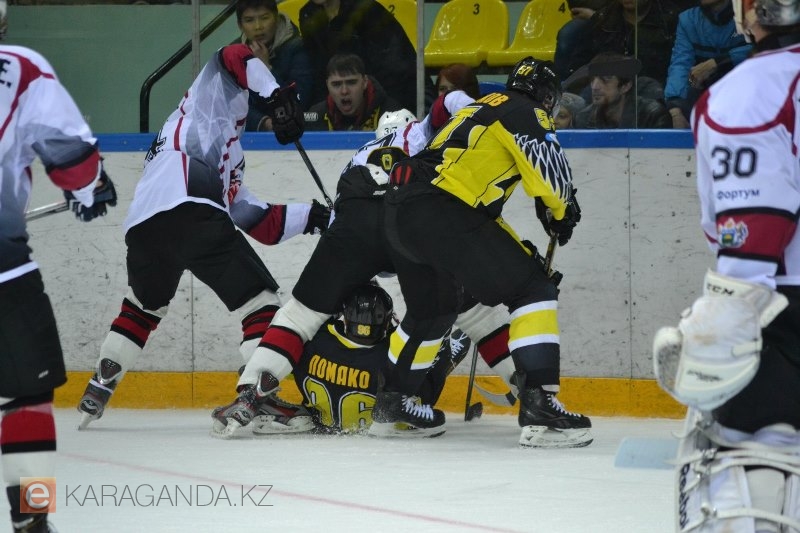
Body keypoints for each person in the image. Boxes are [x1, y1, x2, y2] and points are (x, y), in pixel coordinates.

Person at [212, 90, 534, 440]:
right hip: (412, 213)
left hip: (356, 214)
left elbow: (313, 229)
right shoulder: (420, 133)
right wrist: (481, 117)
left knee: (299, 316)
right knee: (474, 313)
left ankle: (249, 395)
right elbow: (448, 100)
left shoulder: (358, 158)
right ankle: (532, 393)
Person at [75, 42, 328, 432]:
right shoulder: (207, 97)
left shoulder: (227, 151)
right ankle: (256, 396)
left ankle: (101, 382)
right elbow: (234, 54)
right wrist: (278, 96)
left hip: (144, 228)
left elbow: (256, 219)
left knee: (143, 306)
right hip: (193, 213)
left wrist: (314, 216)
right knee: (260, 303)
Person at [368, 57, 592, 447]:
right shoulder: (526, 111)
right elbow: (551, 174)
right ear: (546, 97)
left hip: (401, 209)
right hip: (445, 210)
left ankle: (391, 405)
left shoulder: (478, 108)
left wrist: (522, 245)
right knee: (534, 288)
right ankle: (540, 406)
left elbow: (473, 207)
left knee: (433, 309)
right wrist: (562, 210)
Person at [652, 0, 800, 529]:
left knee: (758, 455)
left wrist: (731, 314)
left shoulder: (749, 90)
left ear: (756, 11)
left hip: (781, 304)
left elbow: (753, 231)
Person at [0, 2, 117, 531]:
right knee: (27, 394)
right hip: (3, 267)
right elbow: (71, 153)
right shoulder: (20, 68)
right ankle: (31, 519)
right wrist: (90, 188)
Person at [294, 283, 472, 433]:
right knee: (426, 348)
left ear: (345, 317)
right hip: (390, 423)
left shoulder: (319, 339)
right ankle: (446, 353)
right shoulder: (391, 351)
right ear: (386, 322)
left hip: (323, 423)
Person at [298, 0, 432, 113]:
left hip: (394, 99)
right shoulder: (308, 14)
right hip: (346, 102)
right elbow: (318, 73)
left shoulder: (367, 11)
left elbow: (395, 71)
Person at [556, 0, 681, 92]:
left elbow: (676, 69)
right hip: (604, 90)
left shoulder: (670, 21)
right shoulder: (602, 20)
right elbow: (580, 63)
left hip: (651, 90)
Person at [663, 0, 751, 129]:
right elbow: (680, 64)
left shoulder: (750, 14)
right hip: (706, 98)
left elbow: (765, 49)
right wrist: (675, 108)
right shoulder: (688, 20)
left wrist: (718, 62)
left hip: (747, 97)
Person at [235, 0, 314, 130]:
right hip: (250, 134)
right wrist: (263, 122)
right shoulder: (235, 55)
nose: (258, 27)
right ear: (240, 25)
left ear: (276, 18)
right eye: (249, 20)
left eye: (264, 18)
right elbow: (228, 105)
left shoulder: (298, 48)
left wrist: (266, 69)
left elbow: (299, 101)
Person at [303, 53, 402, 131]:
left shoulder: (392, 114)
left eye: (351, 83)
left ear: (364, 82)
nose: (344, 91)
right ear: (327, 85)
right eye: (336, 84)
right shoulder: (315, 116)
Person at [572, 52, 672, 128]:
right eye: (593, 79)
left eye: (606, 78)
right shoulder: (582, 119)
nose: (594, 86)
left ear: (625, 86)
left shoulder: (652, 116)